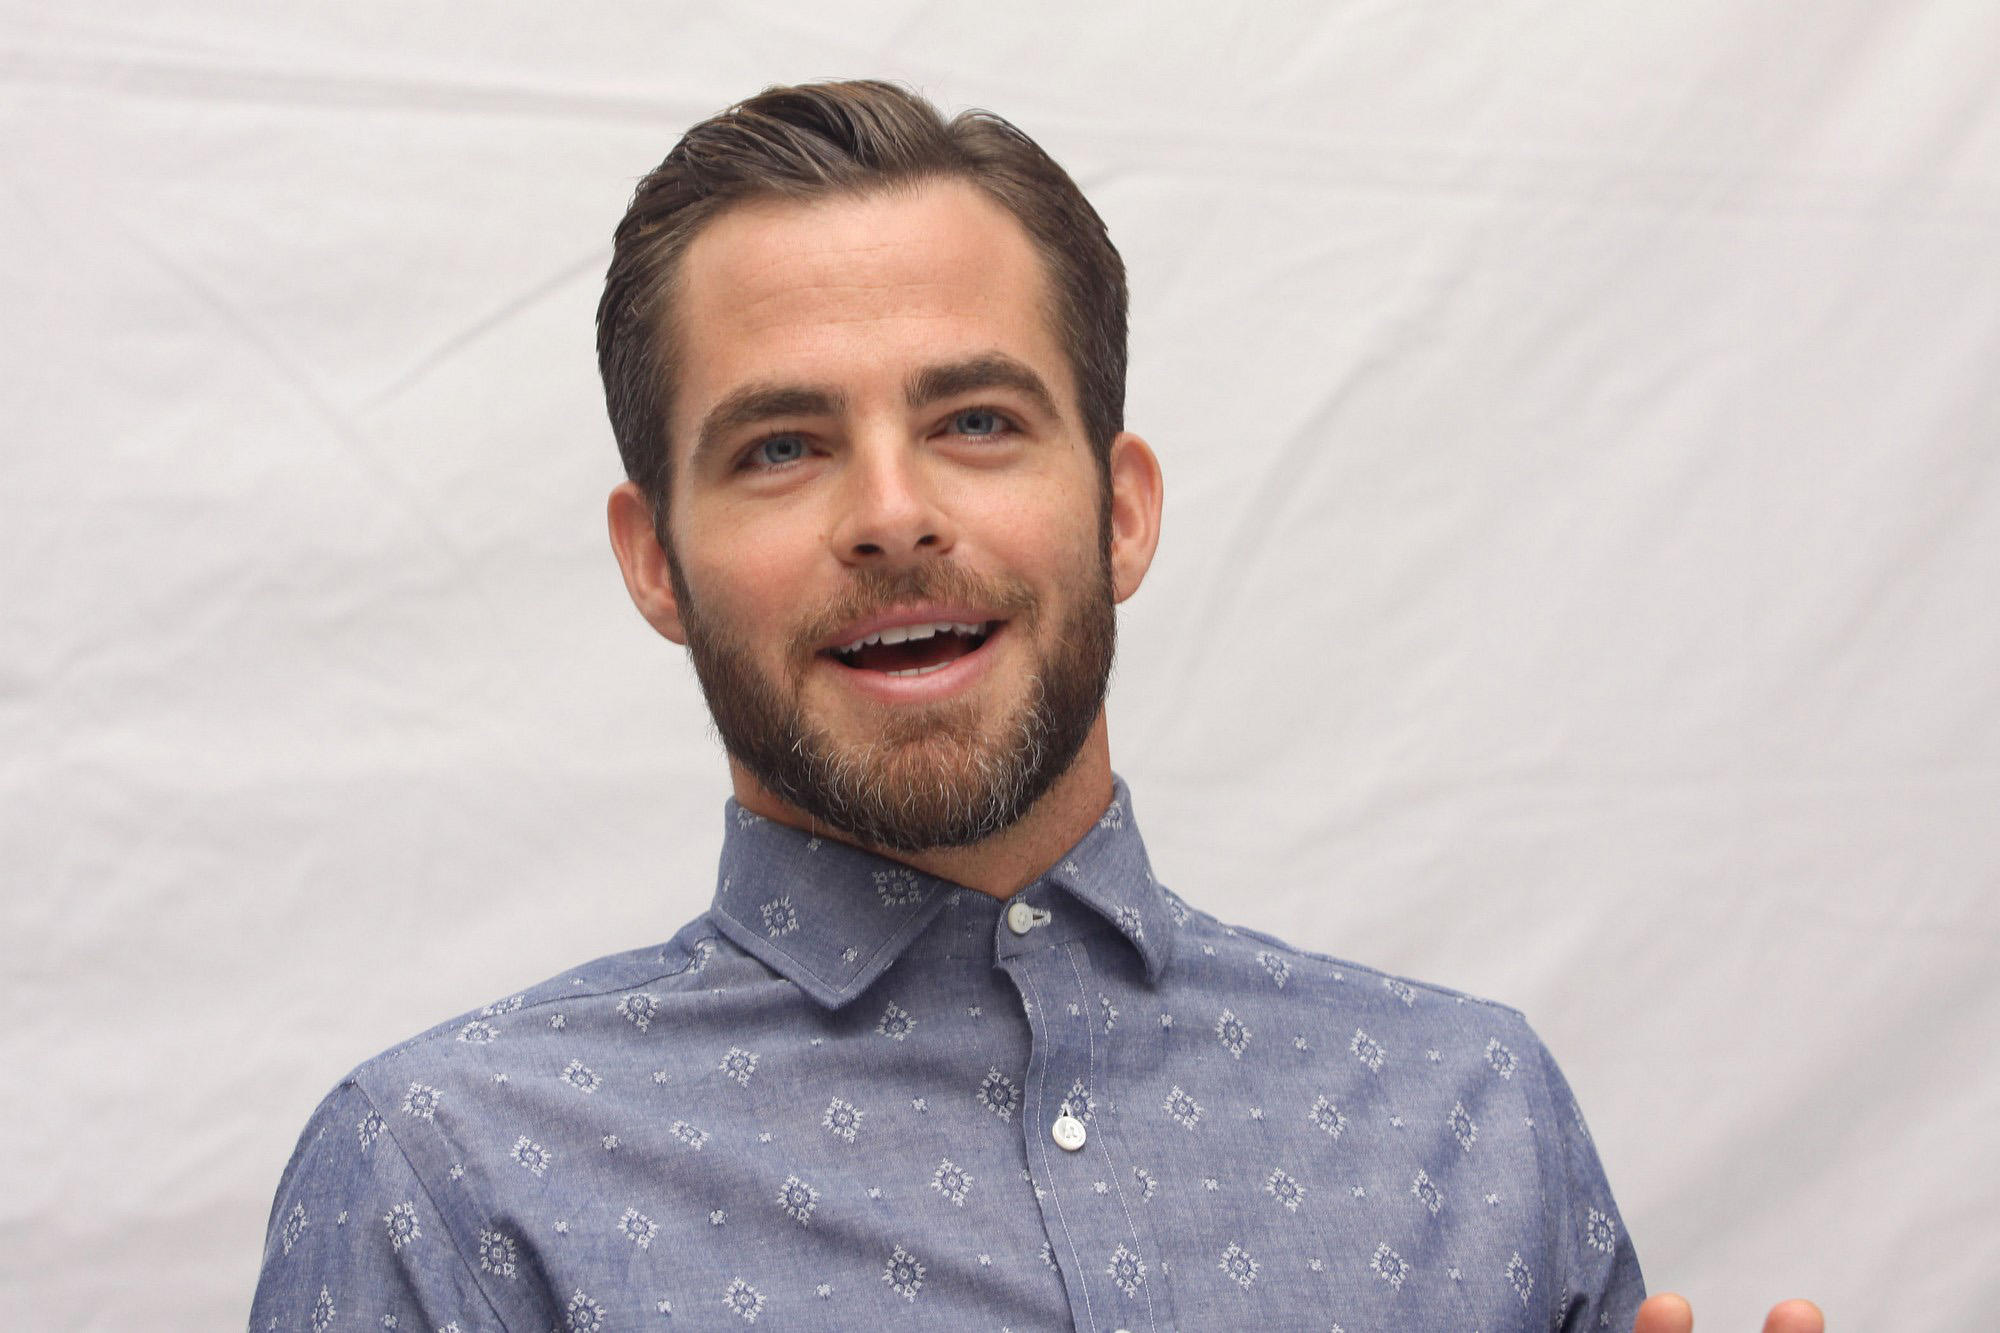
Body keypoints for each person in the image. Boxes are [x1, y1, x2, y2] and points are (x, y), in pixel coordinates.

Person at [250, 80, 1822, 1333]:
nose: (892, 514)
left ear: (1121, 512)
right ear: (655, 558)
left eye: (978, 421)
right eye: (783, 447)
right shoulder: (443, 1181)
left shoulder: (1471, 1118)